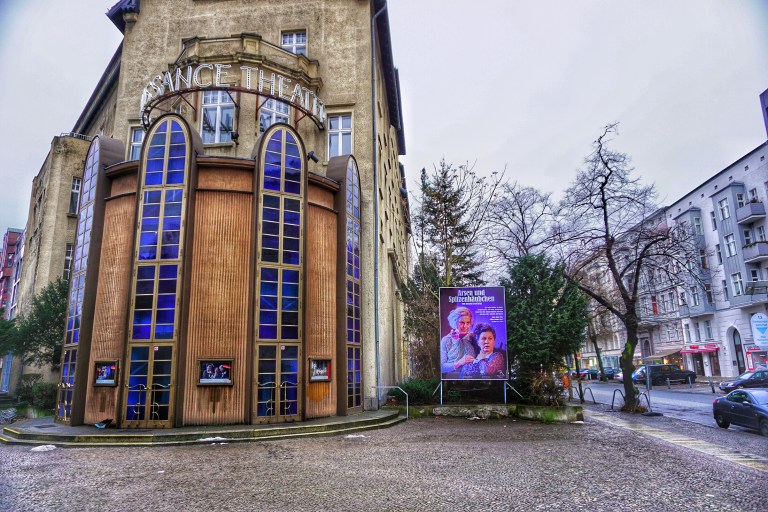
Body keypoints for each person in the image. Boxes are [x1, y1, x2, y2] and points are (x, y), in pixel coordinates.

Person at [440, 306, 476, 378]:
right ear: (455, 322)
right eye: (462, 322)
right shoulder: (446, 340)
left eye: (468, 322)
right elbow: (442, 367)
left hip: (474, 380)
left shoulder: (474, 338)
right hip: (452, 380)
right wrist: (459, 363)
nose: (465, 326)